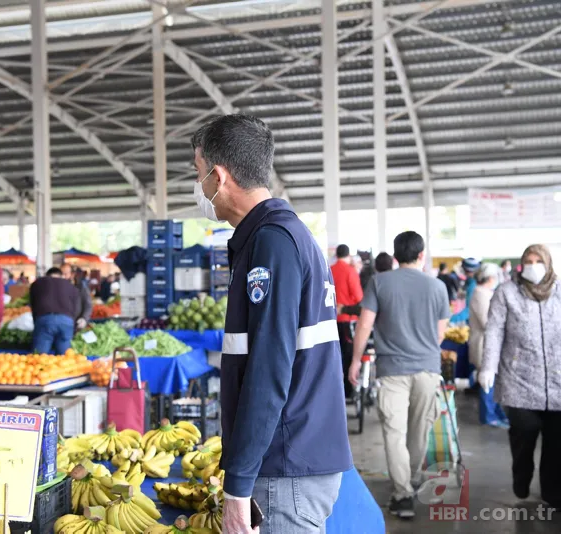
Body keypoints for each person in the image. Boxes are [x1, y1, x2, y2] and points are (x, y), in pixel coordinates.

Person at [191, 115, 351, 533]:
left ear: (219, 176)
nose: (199, 187)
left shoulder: (272, 243)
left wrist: (238, 485)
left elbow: (269, 369)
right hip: (296, 456)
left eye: (198, 173)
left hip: (285, 466)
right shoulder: (284, 235)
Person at [349, 231, 449, 519]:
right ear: (421, 255)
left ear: (395, 256)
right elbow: (440, 334)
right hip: (427, 370)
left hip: (392, 371)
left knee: (394, 433)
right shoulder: (437, 286)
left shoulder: (379, 282)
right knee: (419, 431)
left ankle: (403, 495)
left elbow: (364, 325)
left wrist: (355, 361)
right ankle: (410, 479)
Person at [479, 244, 561, 507]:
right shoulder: (507, 292)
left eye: (539, 261)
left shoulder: (559, 291)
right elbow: (494, 331)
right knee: (525, 433)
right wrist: (488, 366)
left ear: (548, 264)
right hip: (519, 379)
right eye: (529, 261)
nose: (533, 266)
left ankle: (552, 493)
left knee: (556, 442)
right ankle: (522, 476)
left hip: (557, 381)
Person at [468, 263, 509, 428]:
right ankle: (488, 416)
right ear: (491, 278)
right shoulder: (480, 294)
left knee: (494, 383)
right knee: (487, 383)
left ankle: (497, 413)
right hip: (483, 344)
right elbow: (487, 322)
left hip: (490, 344)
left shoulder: (486, 293)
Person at [331, 244, 364, 399]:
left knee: (334, 356)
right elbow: (359, 298)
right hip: (346, 321)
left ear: (336, 255)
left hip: (330, 321)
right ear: (349, 255)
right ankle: (348, 391)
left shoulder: (329, 269)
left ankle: (334, 390)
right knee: (348, 355)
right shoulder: (350, 271)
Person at [30, 267, 81, 354]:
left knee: (39, 357)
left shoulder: (38, 283)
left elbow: (33, 304)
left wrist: (36, 322)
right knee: (65, 357)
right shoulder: (71, 286)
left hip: (45, 319)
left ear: (47, 276)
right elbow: (76, 308)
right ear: (61, 276)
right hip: (66, 321)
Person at [61, 262, 92, 330]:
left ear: (72, 275)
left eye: (65, 274)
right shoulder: (57, 287)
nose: (62, 276)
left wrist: (84, 318)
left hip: (76, 324)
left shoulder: (81, 287)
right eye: (61, 274)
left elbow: (88, 305)